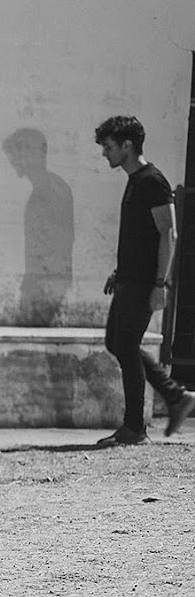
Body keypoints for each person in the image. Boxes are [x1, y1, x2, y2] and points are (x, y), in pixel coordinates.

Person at [93, 115, 195, 447]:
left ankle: (135, 428)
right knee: (117, 343)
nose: (104, 153)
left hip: (144, 283)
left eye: (109, 147)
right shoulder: (136, 180)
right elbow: (141, 236)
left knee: (125, 346)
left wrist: (160, 285)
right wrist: (120, 271)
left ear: (127, 145)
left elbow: (168, 233)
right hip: (130, 279)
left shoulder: (152, 181)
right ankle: (175, 396)